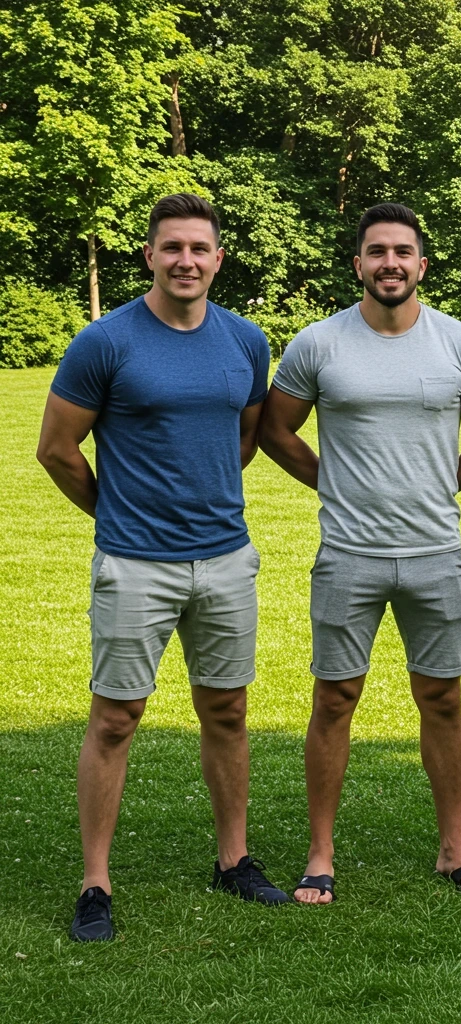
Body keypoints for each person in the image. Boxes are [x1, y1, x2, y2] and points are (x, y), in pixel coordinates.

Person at [37, 193, 288, 943]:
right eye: (170, 248)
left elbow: (243, 436)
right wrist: (119, 517)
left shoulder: (246, 341)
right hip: (135, 565)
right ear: (148, 255)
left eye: (198, 249)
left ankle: (234, 860)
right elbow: (56, 448)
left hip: (226, 559)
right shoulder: (105, 342)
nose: (185, 260)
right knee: (117, 717)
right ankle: (94, 884)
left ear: (217, 258)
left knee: (229, 712)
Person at [259, 202, 461, 901]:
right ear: (359, 265)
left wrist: (441, 483)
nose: (390, 263)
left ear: (422, 265)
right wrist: (333, 482)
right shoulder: (318, 343)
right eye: (377, 252)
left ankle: (453, 847)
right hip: (349, 552)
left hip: (435, 552)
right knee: (335, 698)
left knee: (442, 697)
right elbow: (276, 432)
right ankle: (320, 853)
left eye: (403, 252)